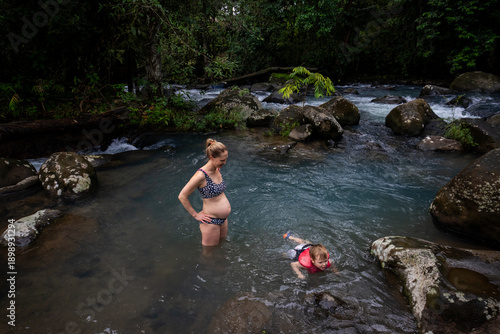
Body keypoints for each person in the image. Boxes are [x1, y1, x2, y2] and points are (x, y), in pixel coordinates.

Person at [178, 138, 231, 247]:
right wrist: (195, 215)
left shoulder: (217, 169)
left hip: (223, 220)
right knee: (208, 255)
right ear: (212, 158)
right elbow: (182, 196)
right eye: (222, 160)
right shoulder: (201, 176)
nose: (224, 163)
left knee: (221, 247)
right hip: (211, 222)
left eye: (226, 159)